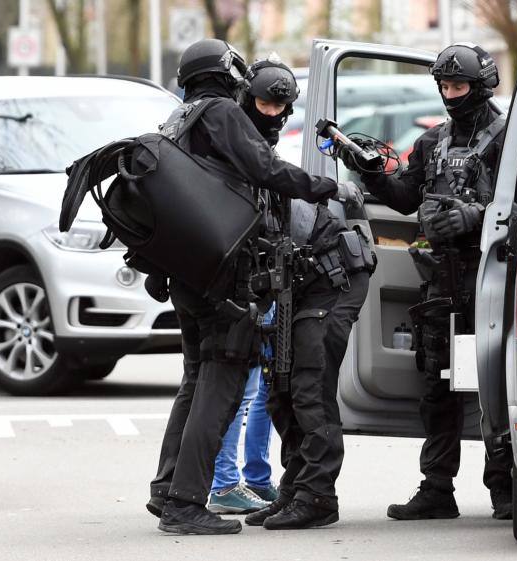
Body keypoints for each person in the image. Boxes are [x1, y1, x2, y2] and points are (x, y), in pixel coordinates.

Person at [146, 39, 353, 536]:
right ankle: (185, 504)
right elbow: (266, 169)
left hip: (187, 275)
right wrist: (327, 186)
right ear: (227, 72)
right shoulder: (219, 112)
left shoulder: (181, 120)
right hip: (222, 279)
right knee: (223, 380)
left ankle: (167, 488)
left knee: (195, 381)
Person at [339, 43, 513, 521]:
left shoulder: (513, 141)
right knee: (437, 385)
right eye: (444, 87)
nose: (450, 95)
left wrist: (475, 219)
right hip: (440, 281)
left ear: (480, 87)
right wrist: (368, 169)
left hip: (494, 279)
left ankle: (507, 487)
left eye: (458, 87)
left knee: (498, 381)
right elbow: (402, 197)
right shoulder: (432, 142)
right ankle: (437, 487)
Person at [236, 55, 372, 530]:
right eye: (264, 103)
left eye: (280, 106)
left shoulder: (262, 158)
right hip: (294, 285)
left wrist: (333, 186)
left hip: (331, 278)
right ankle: (296, 486)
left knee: (310, 387)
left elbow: (290, 189)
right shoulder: (238, 150)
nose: (272, 114)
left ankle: (318, 497)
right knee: (281, 388)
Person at [208, 305, 277, 514]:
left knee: (260, 389)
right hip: (255, 297)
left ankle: (255, 481)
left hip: (260, 298)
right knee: (242, 395)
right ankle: (225, 485)